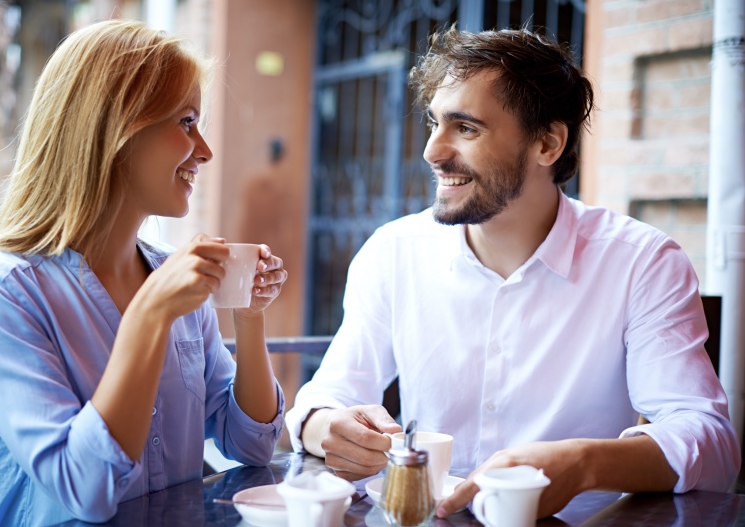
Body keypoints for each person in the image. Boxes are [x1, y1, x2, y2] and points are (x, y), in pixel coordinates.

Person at [285, 26, 739, 519]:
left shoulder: (642, 262)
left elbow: (710, 442)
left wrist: (584, 463)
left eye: (466, 128)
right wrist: (323, 425)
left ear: (547, 144)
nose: (432, 152)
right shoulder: (392, 252)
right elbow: (327, 399)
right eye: (434, 123)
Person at [0, 20, 288, 526]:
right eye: (186, 122)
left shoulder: (173, 277)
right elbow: (84, 488)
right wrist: (151, 314)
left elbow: (251, 445)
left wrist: (249, 317)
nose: (205, 150)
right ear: (116, 129)